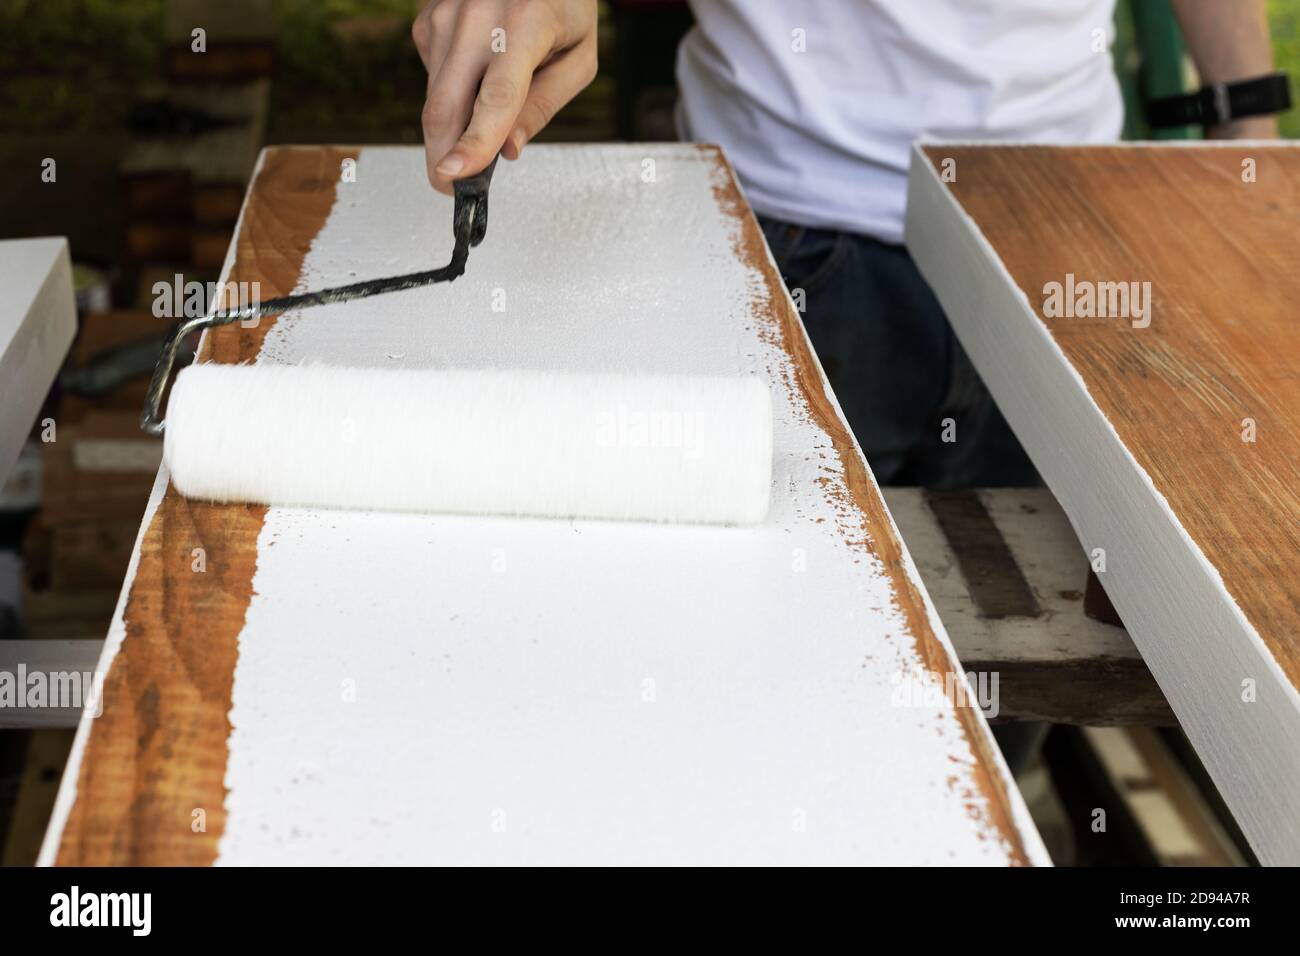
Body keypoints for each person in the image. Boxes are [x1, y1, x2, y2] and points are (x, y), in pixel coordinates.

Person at [411, 0, 1279, 488]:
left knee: (1044, 626)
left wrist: (1254, 142)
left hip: (1065, 233)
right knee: (767, 641)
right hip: (788, 241)